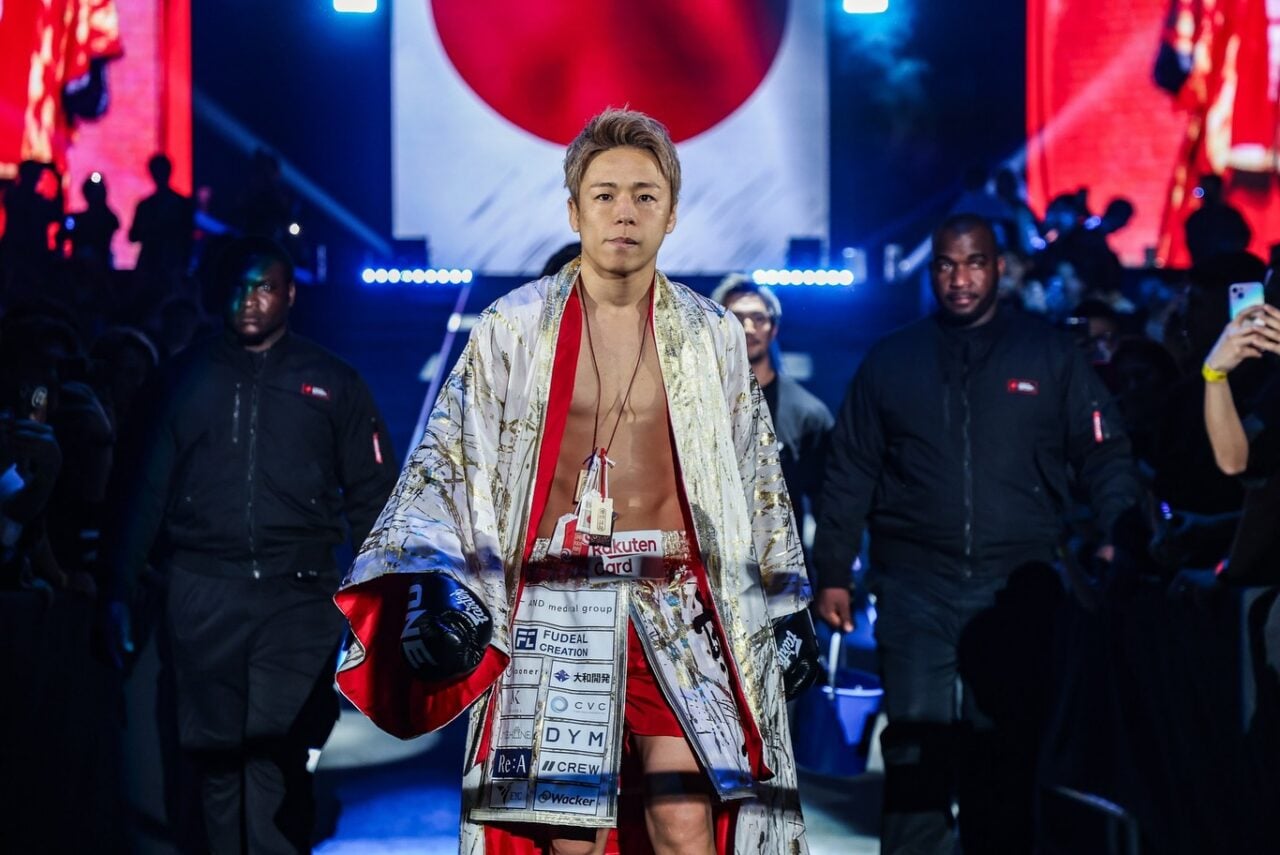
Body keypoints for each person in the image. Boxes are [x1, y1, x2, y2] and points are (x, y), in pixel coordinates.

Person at [334, 108, 817, 855]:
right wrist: (439, 585)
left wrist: (786, 600)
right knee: (570, 837)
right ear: (574, 210)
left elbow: (757, 476)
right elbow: (450, 462)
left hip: (677, 604)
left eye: (645, 195)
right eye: (605, 194)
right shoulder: (513, 328)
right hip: (554, 603)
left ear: (672, 213)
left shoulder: (712, 335)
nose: (625, 212)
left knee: (687, 817)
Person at [813, 213, 1140, 854]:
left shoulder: (1048, 354)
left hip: (1017, 588)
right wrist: (833, 571)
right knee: (916, 749)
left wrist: (1117, 531)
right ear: (931, 272)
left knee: (1006, 749)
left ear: (1000, 268)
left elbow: (1104, 452)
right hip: (915, 584)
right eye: (946, 265)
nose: (959, 279)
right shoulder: (892, 360)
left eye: (974, 263)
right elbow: (850, 470)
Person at [101, 236, 397, 853]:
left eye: (264, 287)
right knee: (212, 757)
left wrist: (382, 595)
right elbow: (141, 492)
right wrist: (118, 589)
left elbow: (372, 495)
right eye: (240, 286)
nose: (249, 300)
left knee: (275, 749)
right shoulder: (182, 380)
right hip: (202, 588)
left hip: (299, 596)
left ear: (289, 294)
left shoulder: (331, 383)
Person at [712, 276, 833, 569]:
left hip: (780, 572)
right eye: (736, 318)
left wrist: (835, 576)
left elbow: (828, 504)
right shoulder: (693, 403)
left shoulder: (807, 412)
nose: (748, 328)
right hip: (711, 567)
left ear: (773, 328)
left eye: (758, 318)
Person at [129, 153, 194, 300]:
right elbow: (133, 236)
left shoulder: (178, 204)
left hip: (169, 267)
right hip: (154, 266)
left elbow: (187, 237)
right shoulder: (148, 205)